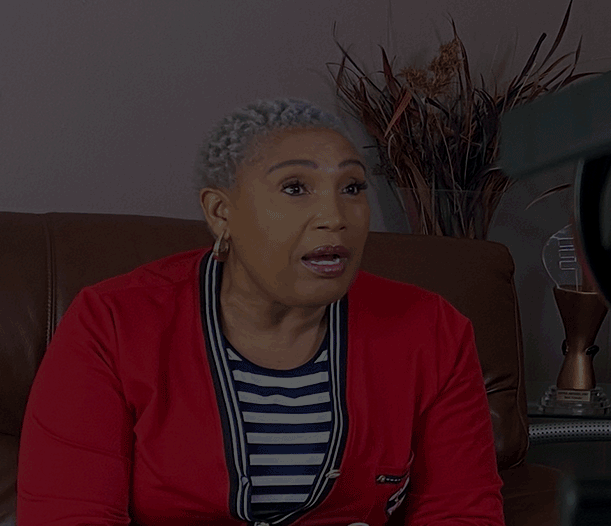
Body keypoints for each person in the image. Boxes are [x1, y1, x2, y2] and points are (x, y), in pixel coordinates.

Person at [17, 99, 504, 525]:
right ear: (220, 212)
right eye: (295, 188)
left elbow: (460, 512)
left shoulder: (433, 330)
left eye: (352, 187)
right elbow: (70, 516)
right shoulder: (110, 324)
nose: (335, 216)